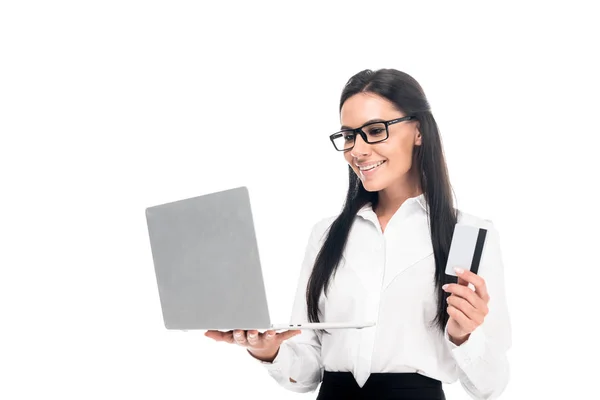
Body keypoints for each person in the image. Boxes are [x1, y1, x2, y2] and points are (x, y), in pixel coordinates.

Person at [205, 68, 512, 400]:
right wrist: (269, 351)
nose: (358, 150)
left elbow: (490, 386)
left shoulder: (466, 235)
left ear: (419, 131)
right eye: (349, 135)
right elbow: (307, 373)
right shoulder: (326, 235)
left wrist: (464, 336)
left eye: (375, 131)